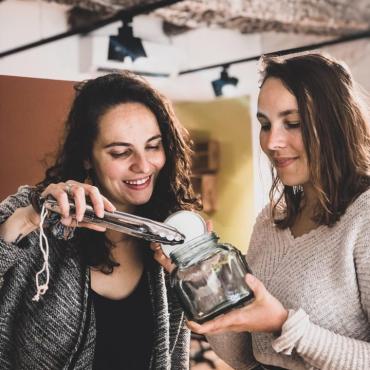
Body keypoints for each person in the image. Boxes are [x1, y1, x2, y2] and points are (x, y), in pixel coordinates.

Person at [0, 71, 200, 369]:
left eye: (153, 146)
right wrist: (27, 220)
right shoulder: (33, 211)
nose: (143, 166)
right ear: (86, 156)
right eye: (121, 152)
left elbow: (175, 358)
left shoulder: (170, 235)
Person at [186, 53, 370, 370]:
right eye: (265, 125)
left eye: (293, 123)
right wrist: (205, 281)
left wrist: (286, 325)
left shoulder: (363, 218)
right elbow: (247, 357)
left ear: (336, 124)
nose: (272, 142)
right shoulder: (271, 221)